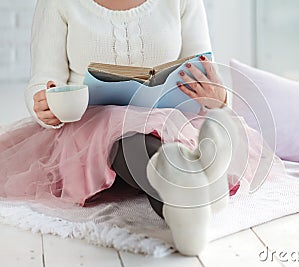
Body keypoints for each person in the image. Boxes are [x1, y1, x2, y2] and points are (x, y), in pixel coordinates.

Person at [0, 0, 237, 256]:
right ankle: (189, 191)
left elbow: (203, 71)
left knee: (170, 139)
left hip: (167, 120)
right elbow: (44, 80)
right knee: (127, 137)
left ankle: (193, 189)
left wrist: (218, 97)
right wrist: (45, 104)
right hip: (91, 127)